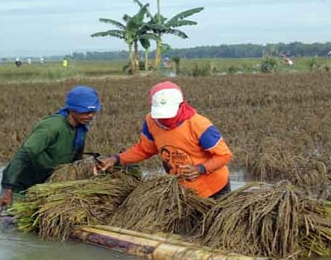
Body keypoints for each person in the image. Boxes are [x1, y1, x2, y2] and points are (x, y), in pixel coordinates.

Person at [96, 81, 232, 199]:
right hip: (183, 190)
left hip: (213, 188)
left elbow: (224, 155)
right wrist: (116, 159)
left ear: (181, 105)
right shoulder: (151, 121)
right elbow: (144, 149)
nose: (164, 119)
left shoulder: (199, 125)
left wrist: (200, 168)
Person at [0, 85, 102, 214]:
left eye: (93, 112)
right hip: (22, 185)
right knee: (9, 224)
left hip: (45, 185)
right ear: (72, 109)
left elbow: (74, 162)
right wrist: (7, 190)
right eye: (85, 112)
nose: (90, 116)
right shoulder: (51, 127)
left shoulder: (80, 129)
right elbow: (23, 156)